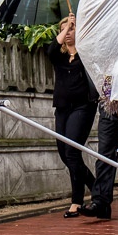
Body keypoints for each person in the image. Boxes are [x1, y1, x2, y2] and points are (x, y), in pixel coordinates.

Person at [47, 13, 99, 218]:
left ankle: (77, 201)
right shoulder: (59, 56)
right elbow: (51, 49)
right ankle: (96, 188)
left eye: (71, 29)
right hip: (62, 108)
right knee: (64, 153)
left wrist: (76, 25)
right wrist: (67, 24)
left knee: (72, 152)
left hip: (83, 107)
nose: (67, 33)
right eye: (63, 30)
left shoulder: (86, 55)